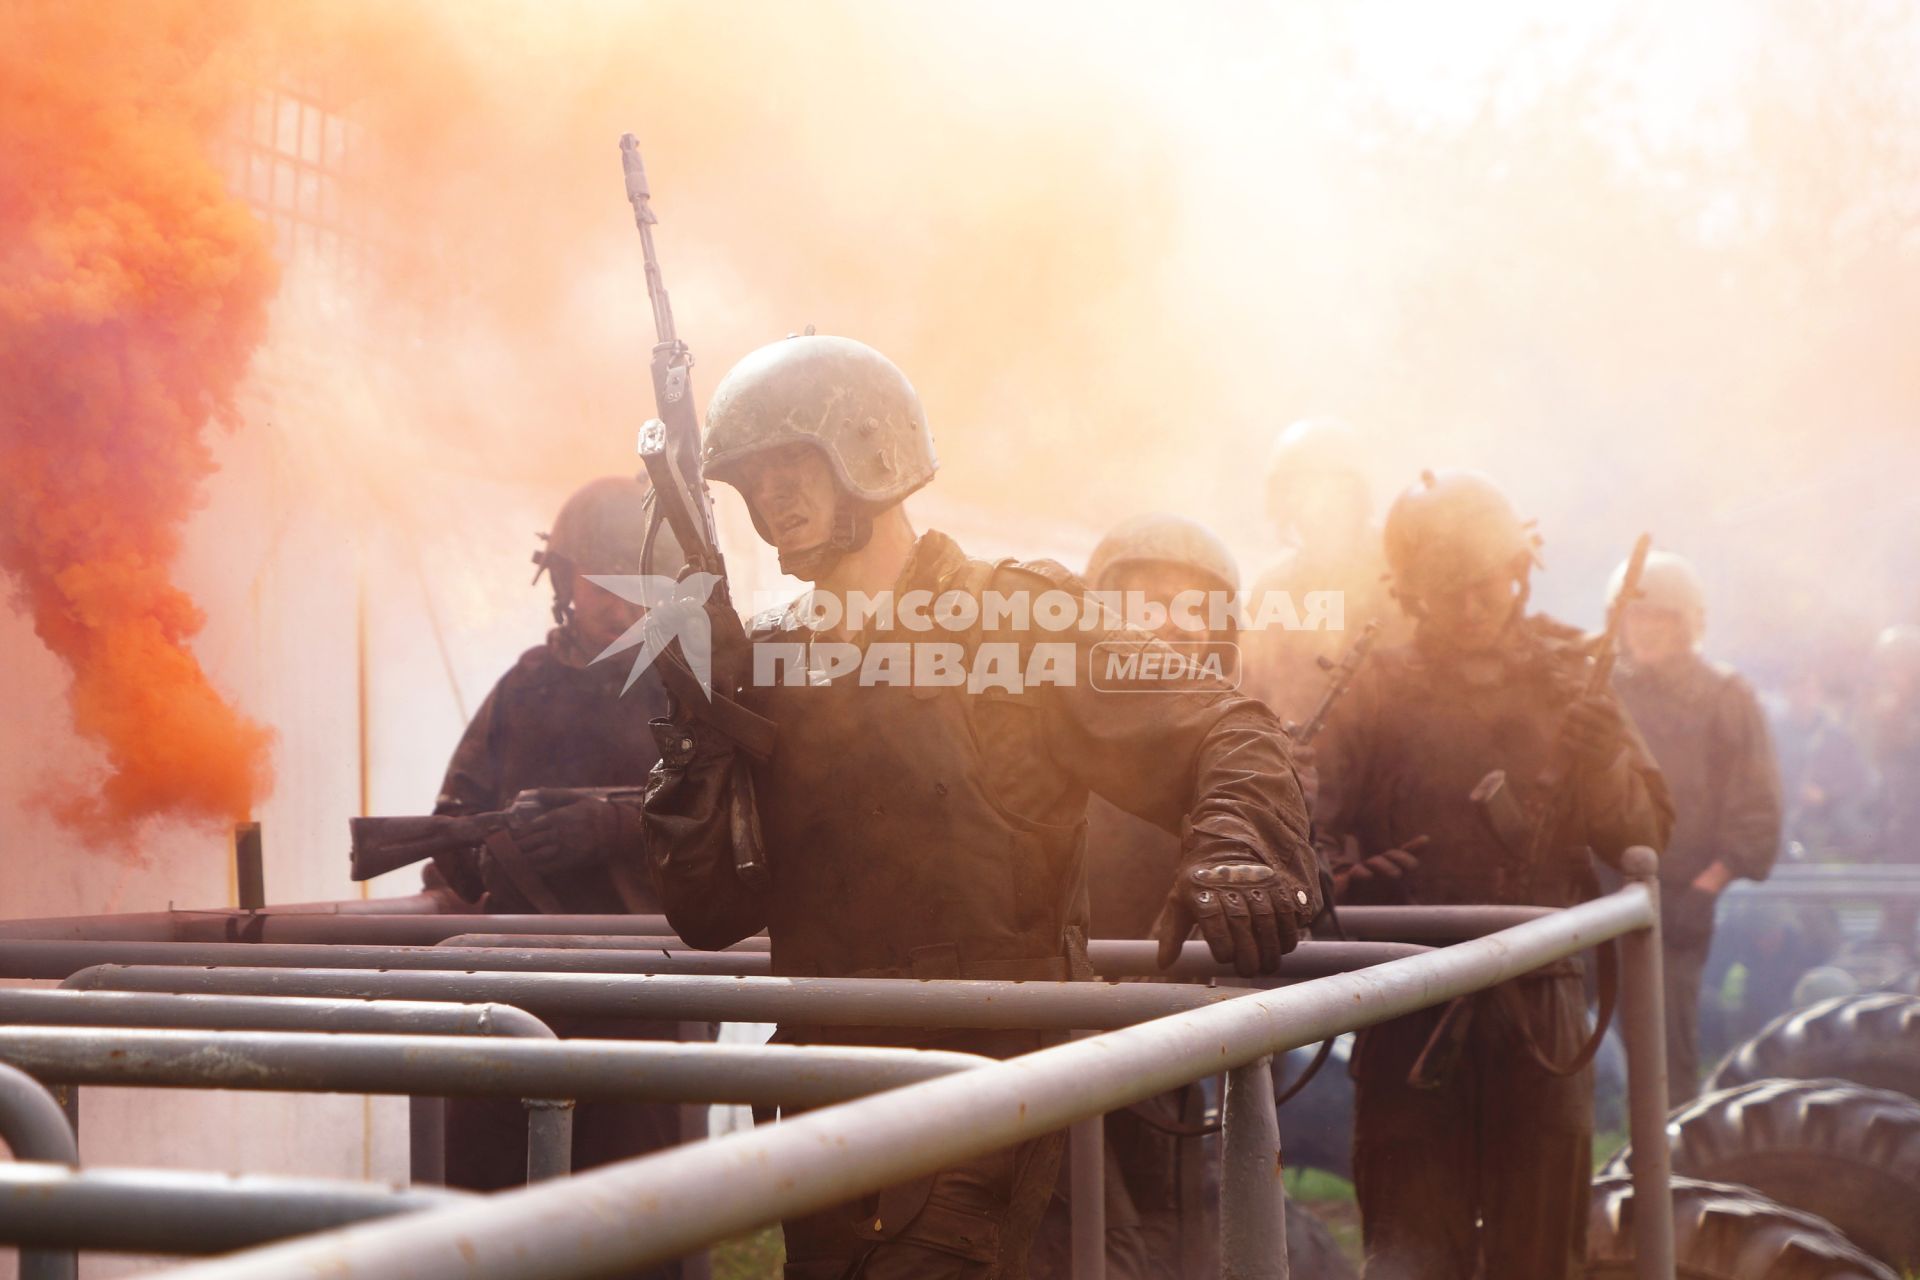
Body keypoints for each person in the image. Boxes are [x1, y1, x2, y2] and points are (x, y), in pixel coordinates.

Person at [642, 334, 1320, 1280]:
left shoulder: (1021, 619)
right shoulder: (767, 663)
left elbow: (1227, 728)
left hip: (993, 1085)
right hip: (821, 1092)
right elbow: (707, 911)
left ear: (874, 454)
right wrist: (698, 726)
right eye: (751, 479)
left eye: (796, 463)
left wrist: (1235, 847)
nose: (773, 499)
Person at [1311, 469, 1673, 1280]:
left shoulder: (1572, 680)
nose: (1475, 607)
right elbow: (1311, 813)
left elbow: (1642, 838)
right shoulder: (1373, 691)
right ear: (1413, 591)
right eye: (1451, 590)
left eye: (1488, 584)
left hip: (1539, 1004)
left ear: (1517, 573)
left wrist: (1603, 755)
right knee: (1410, 1248)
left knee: (1537, 1253)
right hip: (1408, 998)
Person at [428, 475, 686, 1280]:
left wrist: (608, 827)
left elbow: (728, 823)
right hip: (514, 999)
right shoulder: (525, 687)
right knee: (494, 1231)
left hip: (644, 1003)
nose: (620, 605)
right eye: (603, 583)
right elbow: (452, 819)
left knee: (638, 1236)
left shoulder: (690, 688)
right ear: (565, 579)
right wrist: (484, 847)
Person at [1029, 512, 1246, 1280]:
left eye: (1194, 607)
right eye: (1150, 602)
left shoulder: (1239, 750)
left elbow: (1292, 911)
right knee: (1098, 1250)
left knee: (1185, 1238)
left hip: (1177, 1038)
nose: (1174, 625)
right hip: (1057, 1031)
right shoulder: (1044, 723)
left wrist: (1278, 838)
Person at [1609, 549, 1782, 1102]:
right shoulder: (1603, 690)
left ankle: (1674, 1178)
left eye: (1660, 617)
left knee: (1664, 1051)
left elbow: (1756, 808)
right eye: (1636, 616)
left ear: (1686, 623)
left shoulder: (1723, 697)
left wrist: (1707, 887)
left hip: (1676, 894)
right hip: (1592, 891)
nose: (1647, 630)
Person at [1242, 418, 1403, 726]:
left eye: (1335, 493)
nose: (1320, 509)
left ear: (1358, 498)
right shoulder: (1273, 588)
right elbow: (1253, 690)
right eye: (1302, 494)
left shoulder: (1401, 568)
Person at [1865, 623, 1920, 955]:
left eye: (1894, 667)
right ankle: (1897, 937)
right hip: (1901, 826)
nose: (1888, 676)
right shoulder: (1893, 711)